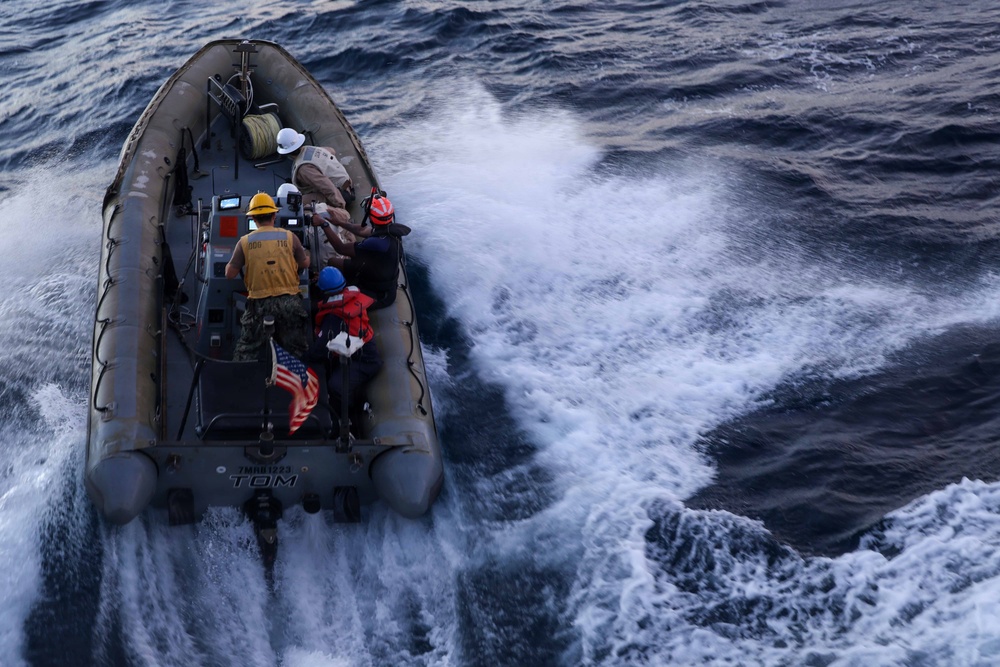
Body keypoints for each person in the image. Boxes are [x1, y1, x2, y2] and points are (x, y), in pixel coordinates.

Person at [225, 192, 311, 361]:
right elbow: (305, 264)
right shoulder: (290, 237)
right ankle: (295, 382)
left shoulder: (244, 242)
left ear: (254, 219)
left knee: (247, 350)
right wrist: (306, 253)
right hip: (290, 304)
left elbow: (230, 273)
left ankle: (240, 381)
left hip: (259, 305)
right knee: (295, 351)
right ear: (274, 215)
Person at [308, 267, 382, 415]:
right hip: (357, 350)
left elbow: (320, 350)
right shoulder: (350, 299)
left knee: (336, 386)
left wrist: (303, 357)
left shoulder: (335, 319)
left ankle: (346, 416)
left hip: (364, 361)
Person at [310, 191, 404, 309]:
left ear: (371, 217)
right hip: (375, 272)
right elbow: (361, 230)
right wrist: (339, 222)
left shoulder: (375, 243)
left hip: (378, 293)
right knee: (333, 262)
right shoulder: (389, 231)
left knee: (326, 305)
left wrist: (324, 224)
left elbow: (341, 248)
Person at [276, 127, 355, 228]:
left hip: (340, 193)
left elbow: (327, 186)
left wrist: (341, 207)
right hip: (344, 183)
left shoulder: (304, 169)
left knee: (293, 203)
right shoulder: (310, 149)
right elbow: (332, 151)